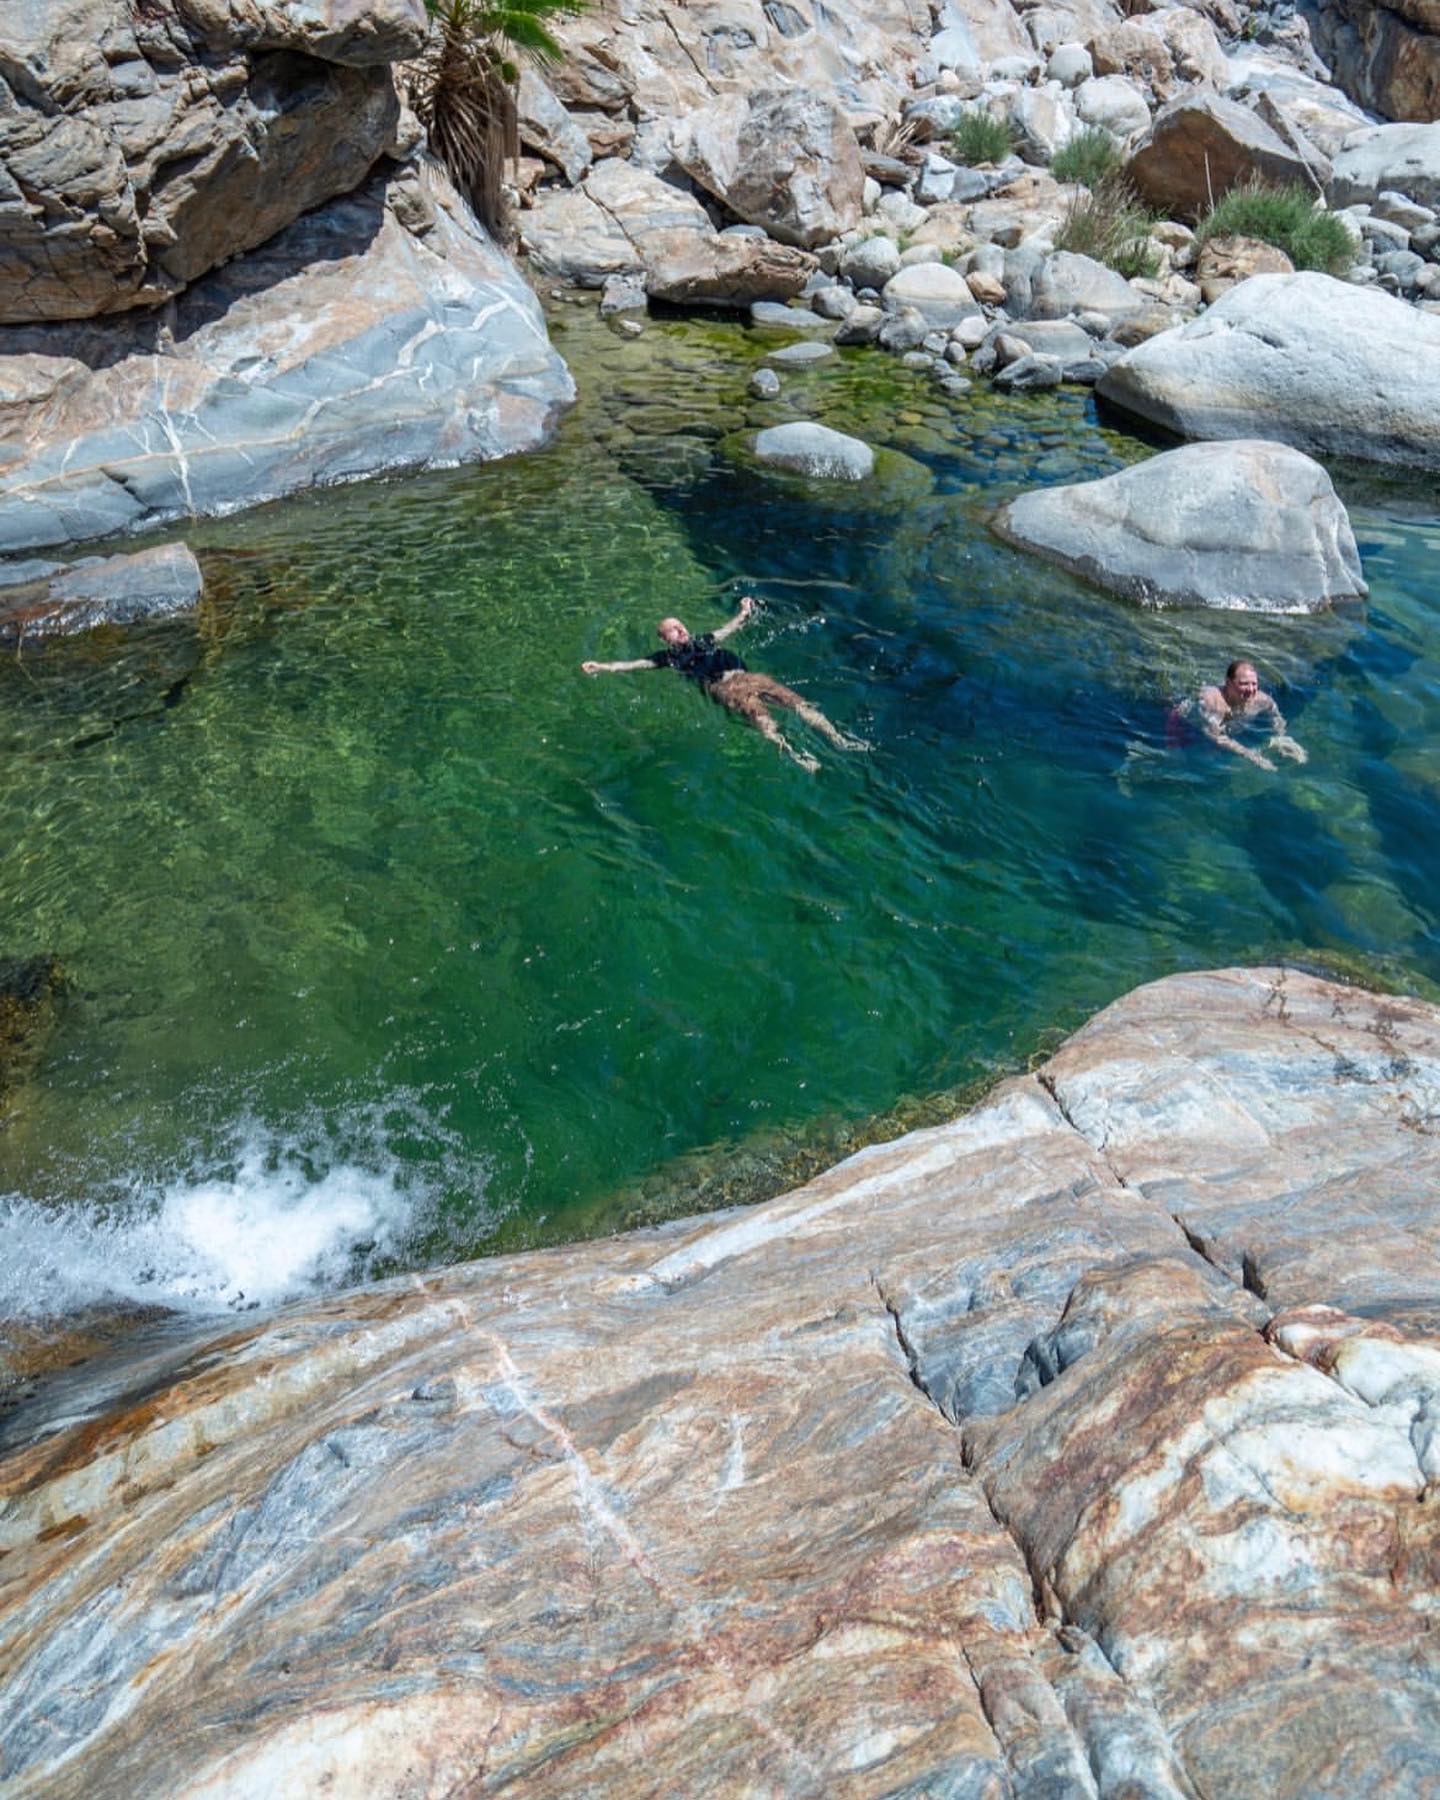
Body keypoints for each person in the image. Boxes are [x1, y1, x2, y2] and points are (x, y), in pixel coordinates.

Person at [581, 596, 867, 772]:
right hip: (724, 688)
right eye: (672, 629)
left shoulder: (705, 640)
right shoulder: (667, 658)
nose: (680, 629)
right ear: (664, 639)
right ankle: (797, 756)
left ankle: (839, 739)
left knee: (797, 703)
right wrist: (602, 666)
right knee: (764, 721)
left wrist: (743, 611)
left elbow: (730, 628)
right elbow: (633, 664)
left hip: (747, 677)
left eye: (680, 625)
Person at [1197, 660, 1307, 771]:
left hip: (1233, 728)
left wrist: (1282, 738)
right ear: (1228, 682)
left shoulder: (1262, 699)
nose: (1251, 689)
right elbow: (1213, 735)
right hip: (1195, 731)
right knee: (1210, 756)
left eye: (1254, 684)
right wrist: (1250, 755)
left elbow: (1275, 714)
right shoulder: (1213, 702)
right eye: (1244, 684)